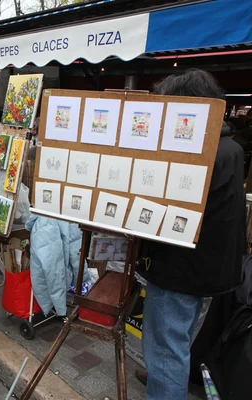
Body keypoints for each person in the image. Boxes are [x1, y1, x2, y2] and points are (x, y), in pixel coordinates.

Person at [139, 69, 245, 400]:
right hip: (208, 271)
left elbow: (166, 208)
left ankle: (164, 385)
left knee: (167, 349)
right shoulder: (229, 147)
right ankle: (162, 380)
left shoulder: (199, 153)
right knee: (177, 342)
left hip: (181, 271)